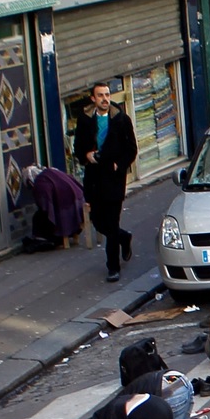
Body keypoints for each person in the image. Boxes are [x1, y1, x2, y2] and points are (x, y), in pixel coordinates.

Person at [73, 82, 138, 282]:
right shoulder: (85, 120)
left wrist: (120, 164)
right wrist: (86, 156)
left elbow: (131, 149)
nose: (105, 99)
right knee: (98, 221)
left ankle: (113, 267)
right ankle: (124, 237)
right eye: (100, 95)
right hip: (94, 178)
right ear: (93, 99)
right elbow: (78, 148)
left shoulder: (121, 119)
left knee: (111, 221)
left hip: (113, 178)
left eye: (107, 95)